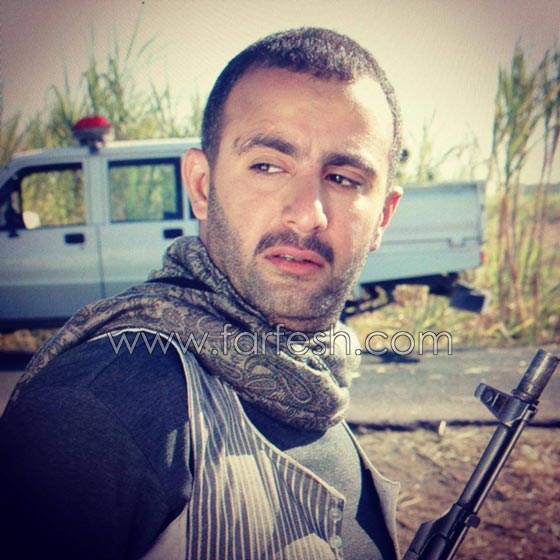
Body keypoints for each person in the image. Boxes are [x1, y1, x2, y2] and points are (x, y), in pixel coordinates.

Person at [0, 27, 403, 559]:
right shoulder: (98, 408)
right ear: (200, 185)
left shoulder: (316, 381)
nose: (308, 214)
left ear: (383, 218)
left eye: (344, 178)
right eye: (267, 166)